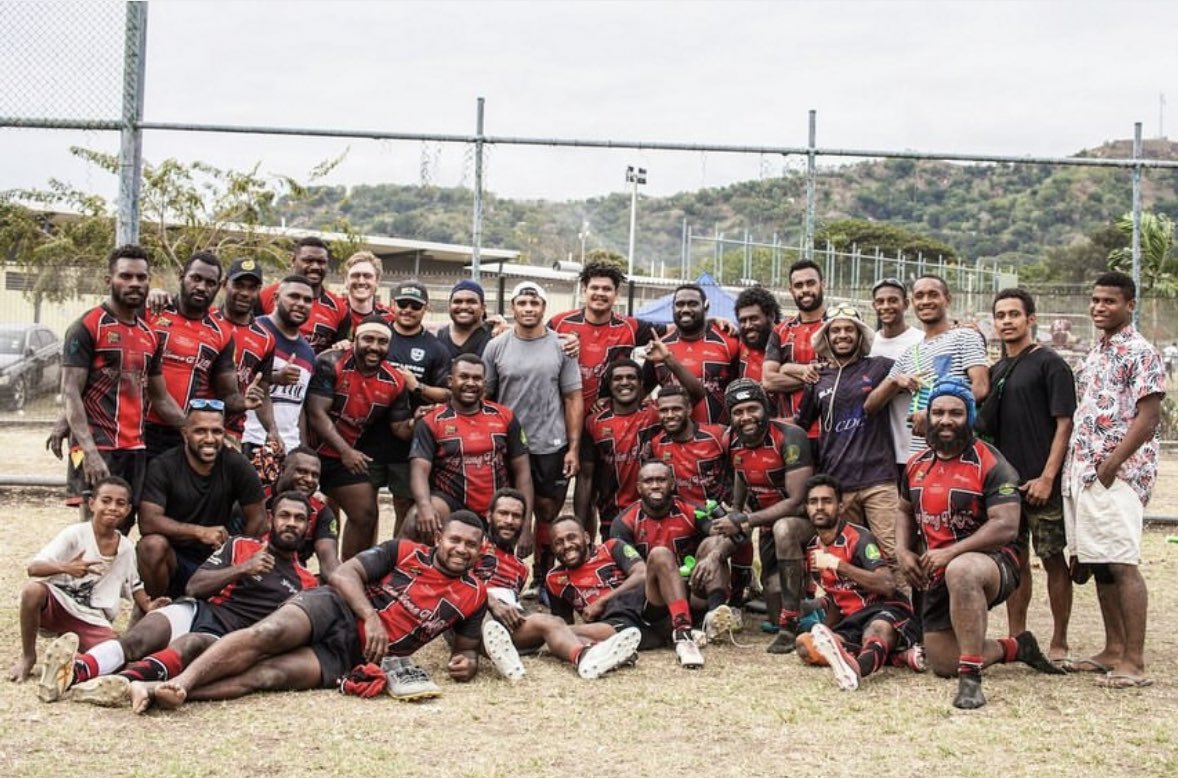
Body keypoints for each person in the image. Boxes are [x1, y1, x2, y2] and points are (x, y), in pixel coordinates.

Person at [132, 512, 490, 711]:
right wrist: (370, 616)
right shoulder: (404, 550)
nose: (461, 549)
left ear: (481, 549)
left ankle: (164, 691)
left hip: (351, 655)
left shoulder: (475, 595)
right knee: (265, 635)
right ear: (439, 538)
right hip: (334, 606)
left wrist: (467, 663)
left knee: (267, 676)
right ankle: (183, 679)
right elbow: (344, 574)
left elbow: (466, 650)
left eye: (470, 545)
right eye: (455, 540)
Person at [46, 492, 320, 708]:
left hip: (227, 637)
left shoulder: (306, 583)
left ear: (307, 527)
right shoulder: (240, 546)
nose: (291, 523)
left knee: (191, 643)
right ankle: (76, 671)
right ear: (271, 520)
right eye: (285, 515)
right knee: (143, 635)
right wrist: (243, 568)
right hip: (199, 609)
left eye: (299, 519)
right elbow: (195, 587)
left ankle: (118, 684)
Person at [896, 378, 1061, 710]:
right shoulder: (915, 464)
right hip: (938, 568)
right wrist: (902, 550)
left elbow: (1006, 526)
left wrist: (951, 553)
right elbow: (903, 510)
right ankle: (1016, 647)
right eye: (938, 412)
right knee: (943, 662)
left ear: (969, 417)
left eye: (956, 413)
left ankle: (971, 680)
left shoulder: (992, 463)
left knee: (962, 569)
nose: (945, 420)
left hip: (992, 563)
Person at [1062, 271, 1165, 688]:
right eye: (1095, 300)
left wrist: (1111, 464)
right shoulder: (1095, 353)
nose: (1099, 307)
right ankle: (1112, 649)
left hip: (1118, 476)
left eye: (1109, 301)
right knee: (1101, 564)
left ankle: (1134, 662)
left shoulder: (1140, 352)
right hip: (1086, 473)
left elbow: (1149, 416)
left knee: (1122, 564)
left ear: (1129, 305)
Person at [56, 245, 185, 525]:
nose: (134, 283)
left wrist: (193, 428)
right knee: (95, 529)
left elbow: (160, 397)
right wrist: (89, 451)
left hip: (136, 448)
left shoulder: (150, 335)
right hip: (97, 446)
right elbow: (70, 392)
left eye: (141, 277)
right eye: (126, 276)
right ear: (109, 280)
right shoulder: (87, 326)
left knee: (123, 526)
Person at [8, 477, 169, 691]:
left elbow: (134, 584)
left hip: (92, 618)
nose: (113, 508)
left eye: (120, 503)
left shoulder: (126, 548)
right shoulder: (75, 534)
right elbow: (33, 568)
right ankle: (28, 657)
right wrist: (66, 567)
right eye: (106, 501)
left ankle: (70, 665)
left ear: (128, 510)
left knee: (117, 658)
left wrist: (148, 605)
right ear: (92, 504)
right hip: (59, 605)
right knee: (33, 591)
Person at [988, 289, 1076, 667]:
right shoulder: (995, 371)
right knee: (1016, 561)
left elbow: (1064, 424)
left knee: (1053, 559)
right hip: (1006, 487)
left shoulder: (1050, 364)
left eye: (1014, 314)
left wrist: (1047, 477)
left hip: (1042, 484)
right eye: (1000, 315)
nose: (1007, 321)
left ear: (1031, 319)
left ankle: (1059, 641)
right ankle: (1017, 637)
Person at [471, 490, 643, 682]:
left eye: (516, 516)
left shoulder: (521, 569)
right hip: (475, 608)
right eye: (503, 514)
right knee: (481, 613)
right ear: (489, 516)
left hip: (509, 619)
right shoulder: (474, 546)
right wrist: (492, 602)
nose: (509, 521)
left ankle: (587, 655)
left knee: (553, 622)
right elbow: (458, 582)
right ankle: (497, 651)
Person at [483, 281, 583, 590]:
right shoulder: (496, 346)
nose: (528, 308)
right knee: (505, 514)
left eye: (534, 303)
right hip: (507, 446)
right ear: (512, 308)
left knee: (547, 511)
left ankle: (543, 579)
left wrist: (573, 448)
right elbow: (485, 396)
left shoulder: (562, 346)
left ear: (543, 308)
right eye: (522, 303)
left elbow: (573, 398)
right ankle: (501, 577)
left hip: (549, 444)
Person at [793, 475, 923, 691]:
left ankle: (855, 670)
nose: (820, 507)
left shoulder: (859, 538)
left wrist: (839, 565)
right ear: (806, 508)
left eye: (827, 501)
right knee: (805, 645)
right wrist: (825, 632)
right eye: (813, 502)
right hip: (853, 619)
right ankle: (896, 657)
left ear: (840, 506)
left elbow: (887, 585)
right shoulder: (812, 549)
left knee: (876, 629)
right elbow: (836, 599)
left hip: (885, 609)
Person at [795, 305, 900, 562]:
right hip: (838, 483)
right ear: (827, 337)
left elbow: (920, 358)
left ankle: (899, 592)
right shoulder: (817, 378)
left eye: (849, 329)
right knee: (848, 554)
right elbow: (800, 426)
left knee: (890, 553)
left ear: (860, 335)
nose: (843, 335)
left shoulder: (880, 367)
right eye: (836, 330)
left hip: (879, 479)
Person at [306, 316, 416, 559]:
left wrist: (417, 422)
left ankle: (347, 572)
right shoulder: (330, 362)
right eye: (368, 339)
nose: (375, 347)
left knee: (365, 514)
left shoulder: (395, 381)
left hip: (343, 458)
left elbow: (399, 428)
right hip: (309, 451)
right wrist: (345, 451)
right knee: (297, 509)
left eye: (382, 342)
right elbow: (316, 413)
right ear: (354, 339)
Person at [137, 402, 267, 599]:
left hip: (219, 560)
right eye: (200, 431)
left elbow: (258, 518)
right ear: (185, 434)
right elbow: (148, 522)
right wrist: (200, 532)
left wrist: (235, 551)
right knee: (151, 546)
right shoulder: (163, 466)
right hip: (175, 557)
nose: (209, 439)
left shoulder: (236, 463)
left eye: (216, 432)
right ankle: (156, 605)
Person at [402, 354, 533, 546]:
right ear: (450, 381)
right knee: (415, 519)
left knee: (492, 559)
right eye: (464, 377)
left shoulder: (505, 416)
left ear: (484, 383)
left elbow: (523, 471)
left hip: (496, 504)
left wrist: (526, 526)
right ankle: (397, 565)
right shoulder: (431, 421)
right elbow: (419, 470)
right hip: (451, 501)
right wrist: (424, 507)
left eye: (477, 378)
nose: (470, 383)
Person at [575, 345, 704, 540]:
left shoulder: (657, 414)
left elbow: (696, 394)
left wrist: (668, 359)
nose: (624, 382)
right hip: (614, 517)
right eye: (618, 378)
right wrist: (578, 525)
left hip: (661, 513)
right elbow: (585, 478)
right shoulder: (594, 423)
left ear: (641, 383)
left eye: (631, 377)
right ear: (609, 385)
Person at [722, 379, 814, 651]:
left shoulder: (790, 436)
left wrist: (746, 520)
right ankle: (817, 607)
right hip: (767, 526)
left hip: (804, 522)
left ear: (765, 408)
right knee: (774, 601)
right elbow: (741, 473)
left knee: (783, 527)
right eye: (738, 412)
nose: (746, 417)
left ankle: (790, 624)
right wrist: (735, 511)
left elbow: (796, 502)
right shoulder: (731, 440)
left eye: (753, 409)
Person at [549, 514, 704, 669]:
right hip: (615, 625)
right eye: (558, 543)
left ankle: (683, 634)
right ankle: (610, 652)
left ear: (587, 538)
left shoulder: (611, 547)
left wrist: (602, 601)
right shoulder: (554, 579)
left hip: (644, 606)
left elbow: (641, 574)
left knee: (660, 554)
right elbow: (564, 624)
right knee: (557, 630)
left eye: (572, 537)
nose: (566, 545)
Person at [611, 460, 738, 644]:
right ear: (639, 487)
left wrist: (714, 554)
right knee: (660, 554)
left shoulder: (692, 511)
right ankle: (677, 626)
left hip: (693, 590)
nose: (655, 486)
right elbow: (624, 573)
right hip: (654, 598)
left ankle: (714, 617)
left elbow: (727, 536)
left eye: (661, 480)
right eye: (648, 481)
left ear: (672, 484)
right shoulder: (624, 522)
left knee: (714, 543)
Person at [144, 251, 254, 458]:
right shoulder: (152, 310)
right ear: (181, 276)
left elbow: (227, 395)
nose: (202, 287)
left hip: (182, 434)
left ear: (219, 286)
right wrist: (149, 294)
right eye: (196, 278)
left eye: (210, 283)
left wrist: (244, 402)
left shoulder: (222, 333)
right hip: (138, 427)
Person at [866, 274, 990, 457]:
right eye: (919, 296)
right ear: (912, 303)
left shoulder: (965, 336)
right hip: (919, 456)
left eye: (933, 294)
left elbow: (981, 388)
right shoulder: (910, 353)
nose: (925, 301)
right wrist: (894, 382)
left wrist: (933, 413)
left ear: (947, 299)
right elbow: (870, 406)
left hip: (959, 453)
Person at [371, 281, 452, 528]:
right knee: (364, 511)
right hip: (369, 436)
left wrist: (416, 386)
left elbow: (448, 394)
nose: (407, 310)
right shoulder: (376, 336)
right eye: (403, 303)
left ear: (425, 308)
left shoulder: (435, 348)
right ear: (392, 304)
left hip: (410, 439)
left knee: (404, 508)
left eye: (415, 306)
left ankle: (397, 553)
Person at [548, 262, 666, 407]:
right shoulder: (559, 323)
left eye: (607, 289)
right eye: (594, 288)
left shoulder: (630, 327)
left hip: (605, 414)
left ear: (616, 294)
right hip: (561, 411)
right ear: (584, 291)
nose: (600, 293)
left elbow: (673, 330)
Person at [641, 283, 741, 425]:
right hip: (673, 434)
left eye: (693, 304)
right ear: (672, 308)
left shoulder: (729, 340)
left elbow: (742, 387)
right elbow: (640, 392)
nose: (685, 309)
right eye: (680, 304)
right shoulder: (660, 347)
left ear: (706, 307)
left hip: (719, 433)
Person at [242, 275, 317, 455]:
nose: (301, 304)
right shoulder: (254, 330)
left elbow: (298, 408)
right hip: (253, 438)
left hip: (289, 447)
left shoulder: (308, 351)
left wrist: (302, 449)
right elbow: (234, 381)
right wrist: (275, 377)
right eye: (294, 296)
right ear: (276, 298)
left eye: (307, 300)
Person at [213, 258, 281, 451]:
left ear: (259, 291)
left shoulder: (265, 339)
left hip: (233, 432)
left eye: (252, 288)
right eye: (239, 285)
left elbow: (263, 392)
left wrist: (272, 430)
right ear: (225, 284)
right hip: (197, 423)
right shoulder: (207, 321)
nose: (244, 293)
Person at [867, 277, 924, 477]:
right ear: (874, 306)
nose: (886, 306)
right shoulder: (868, 345)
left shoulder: (921, 340)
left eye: (893, 300)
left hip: (916, 443)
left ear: (906, 304)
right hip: (880, 449)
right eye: (880, 301)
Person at [762, 259, 828, 430]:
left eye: (810, 283)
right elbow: (768, 381)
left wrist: (787, 368)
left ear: (823, 284)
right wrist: (811, 375)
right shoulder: (781, 331)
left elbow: (847, 375)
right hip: (793, 432)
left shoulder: (838, 325)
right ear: (791, 291)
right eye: (799, 285)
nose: (805, 289)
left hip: (834, 431)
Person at [256, 236, 349, 353]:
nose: (315, 267)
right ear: (293, 261)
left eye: (321, 262)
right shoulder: (266, 296)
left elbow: (336, 355)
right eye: (308, 261)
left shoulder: (340, 310)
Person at [264, 447, 341, 578]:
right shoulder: (257, 500)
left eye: (315, 475)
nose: (309, 479)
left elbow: (329, 564)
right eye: (302, 472)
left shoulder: (322, 513)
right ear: (282, 469)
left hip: (294, 579)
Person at [435, 279, 498, 359]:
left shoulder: (495, 336)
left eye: (471, 302)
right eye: (458, 301)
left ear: (483, 308)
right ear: (449, 306)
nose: (464, 307)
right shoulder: (438, 338)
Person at [733, 285, 781, 382]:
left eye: (754, 318)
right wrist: (713, 320)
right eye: (743, 320)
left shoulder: (789, 345)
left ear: (771, 316)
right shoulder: (737, 344)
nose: (748, 325)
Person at [342, 251, 393, 333]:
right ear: (346, 280)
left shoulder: (390, 318)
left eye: (367, 276)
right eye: (355, 275)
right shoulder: (332, 312)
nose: (361, 281)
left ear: (377, 281)